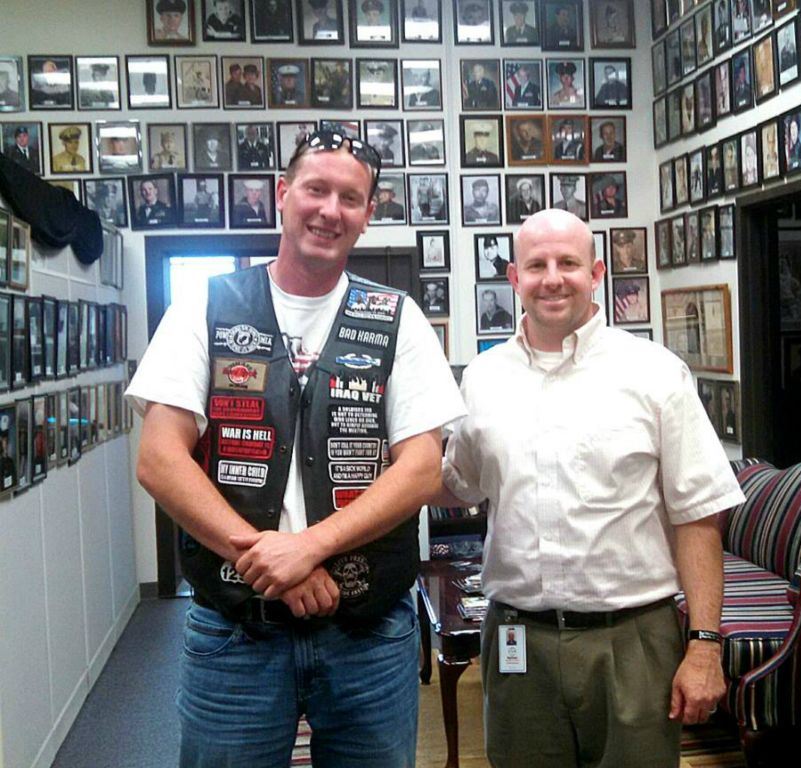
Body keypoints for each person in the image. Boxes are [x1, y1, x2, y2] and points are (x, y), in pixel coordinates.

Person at [126, 129, 465, 767]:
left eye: (351, 197)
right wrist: (269, 563)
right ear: (282, 195)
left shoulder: (399, 317)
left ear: (368, 215)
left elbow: (420, 470)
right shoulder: (206, 305)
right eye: (315, 189)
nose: (329, 210)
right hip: (235, 629)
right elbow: (160, 458)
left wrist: (308, 548)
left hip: (369, 631)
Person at [439, 209, 743, 768]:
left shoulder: (655, 373)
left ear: (597, 272)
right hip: (517, 644)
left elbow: (697, 515)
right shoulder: (482, 378)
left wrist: (704, 644)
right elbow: (458, 485)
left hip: (633, 642)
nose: (552, 277)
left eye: (568, 263)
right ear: (514, 278)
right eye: (536, 265)